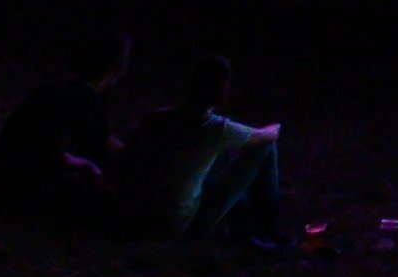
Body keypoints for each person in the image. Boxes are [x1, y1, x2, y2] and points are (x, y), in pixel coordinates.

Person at [113, 53, 295, 247]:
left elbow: (129, 161)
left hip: (134, 217)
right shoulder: (217, 128)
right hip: (178, 226)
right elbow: (267, 136)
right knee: (266, 148)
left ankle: (243, 229)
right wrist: (277, 125)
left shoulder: (156, 119)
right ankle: (267, 231)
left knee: (220, 156)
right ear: (223, 88)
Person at [0, 32, 132, 225]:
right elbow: (52, 154)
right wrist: (88, 167)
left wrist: (134, 160)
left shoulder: (57, 89)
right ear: (117, 69)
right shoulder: (84, 99)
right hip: (18, 197)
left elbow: (102, 139)